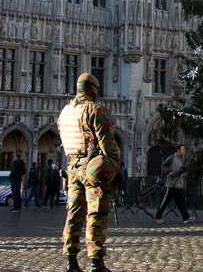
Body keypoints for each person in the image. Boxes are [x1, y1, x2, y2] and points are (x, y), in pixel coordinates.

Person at [57, 73, 121, 272]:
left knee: (74, 215)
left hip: (72, 169)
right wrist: (114, 171)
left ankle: (71, 262)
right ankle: (96, 262)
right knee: (96, 215)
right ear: (93, 89)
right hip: (93, 170)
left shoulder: (66, 112)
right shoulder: (95, 111)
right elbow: (109, 148)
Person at [155, 144, 195, 224]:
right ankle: (158, 216)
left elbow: (179, 172)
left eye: (184, 149)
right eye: (182, 149)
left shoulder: (180, 160)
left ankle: (186, 217)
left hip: (178, 185)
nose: (183, 151)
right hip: (170, 185)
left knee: (181, 202)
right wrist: (169, 171)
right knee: (165, 202)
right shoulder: (171, 158)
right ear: (178, 150)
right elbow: (163, 165)